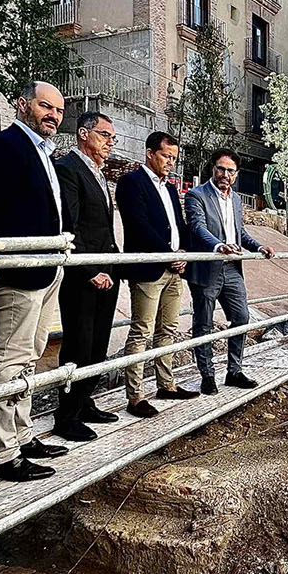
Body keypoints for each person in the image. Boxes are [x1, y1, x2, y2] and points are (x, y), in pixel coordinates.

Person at [0, 81, 71, 481]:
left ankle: (22, 436)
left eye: (59, 111)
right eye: (46, 107)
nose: (53, 116)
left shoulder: (42, 152)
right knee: (8, 360)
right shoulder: (3, 147)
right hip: (19, 273)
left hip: (46, 269)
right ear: (23, 105)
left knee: (29, 356)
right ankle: (1, 455)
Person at [115, 131, 199, 417]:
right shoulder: (130, 183)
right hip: (149, 269)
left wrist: (184, 252)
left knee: (168, 330)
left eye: (174, 158)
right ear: (149, 153)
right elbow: (138, 225)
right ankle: (135, 396)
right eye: (166, 156)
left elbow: (180, 224)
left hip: (175, 271)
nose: (170, 162)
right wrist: (168, 253)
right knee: (141, 331)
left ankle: (167, 384)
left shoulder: (170, 188)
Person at [52, 112, 121, 440]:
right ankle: (65, 416)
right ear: (83, 133)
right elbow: (72, 226)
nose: (110, 142)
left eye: (112, 138)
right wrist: (90, 270)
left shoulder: (98, 173)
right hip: (84, 276)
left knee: (98, 345)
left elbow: (103, 227)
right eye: (105, 135)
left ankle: (84, 401)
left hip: (107, 273)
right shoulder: (69, 169)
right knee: (79, 346)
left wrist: (113, 265)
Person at [184, 149, 273, 395]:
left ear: (236, 174)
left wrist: (258, 246)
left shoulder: (235, 199)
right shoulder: (196, 195)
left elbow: (239, 232)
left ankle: (234, 371)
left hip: (233, 269)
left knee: (242, 318)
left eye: (230, 171)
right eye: (221, 169)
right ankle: (207, 376)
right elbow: (197, 227)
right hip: (207, 268)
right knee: (203, 324)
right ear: (213, 168)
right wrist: (218, 246)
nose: (225, 174)